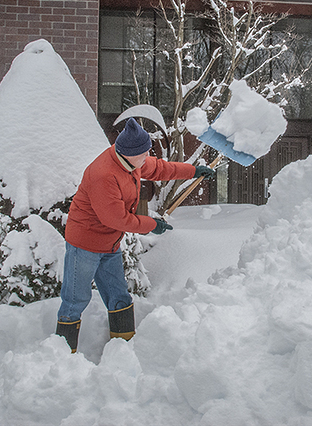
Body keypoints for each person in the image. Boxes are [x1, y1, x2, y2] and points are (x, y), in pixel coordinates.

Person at [55, 117, 215, 352]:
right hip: (85, 244)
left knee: (119, 297)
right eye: (144, 152)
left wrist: (192, 171)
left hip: (109, 244)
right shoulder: (103, 175)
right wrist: (152, 224)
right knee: (75, 300)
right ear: (128, 153)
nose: (147, 156)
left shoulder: (132, 159)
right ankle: (60, 356)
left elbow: (161, 168)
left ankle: (123, 349)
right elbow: (116, 218)